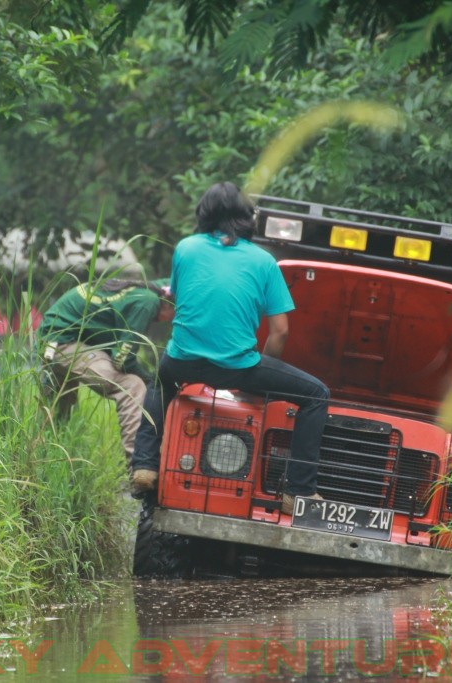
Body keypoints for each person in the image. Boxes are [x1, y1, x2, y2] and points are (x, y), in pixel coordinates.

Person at [129, 182, 330, 515]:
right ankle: (298, 492)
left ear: (203, 213)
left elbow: (182, 300)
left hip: (182, 362)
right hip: (238, 367)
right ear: (247, 217)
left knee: (160, 382)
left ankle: (145, 466)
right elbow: (280, 331)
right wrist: (258, 374)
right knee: (316, 394)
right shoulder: (264, 262)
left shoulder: (186, 248)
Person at [36, 277, 175, 467]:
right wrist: (153, 381)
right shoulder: (148, 300)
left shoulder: (146, 287)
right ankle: (139, 468)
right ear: (170, 303)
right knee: (131, 385)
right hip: (64, 343)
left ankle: (40, 462)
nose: (171, 320)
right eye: (175, 315)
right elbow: (123, 359)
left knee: (57, 417)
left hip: (55, 338)